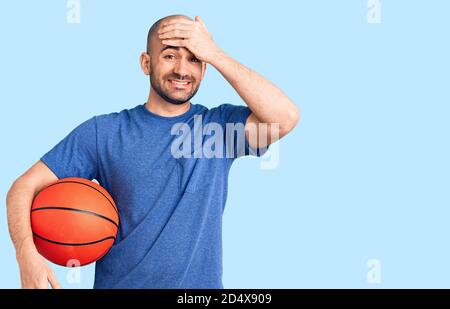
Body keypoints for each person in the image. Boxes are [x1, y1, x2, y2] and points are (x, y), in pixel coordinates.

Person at [6, 14, 300, 288]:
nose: (182, 70)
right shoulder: (104, 132)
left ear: (204, 68)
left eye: (194, 58)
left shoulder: (219, 129)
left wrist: (215, 53)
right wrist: (26, 255)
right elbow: (23, 187)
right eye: (170, 55)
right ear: (146, 63)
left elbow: (284, 117)